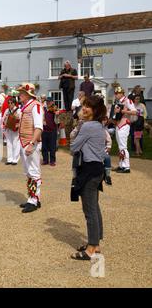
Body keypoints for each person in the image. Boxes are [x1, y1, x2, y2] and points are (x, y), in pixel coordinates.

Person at [70, 96, 107, 261]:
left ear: (95, 111)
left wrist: (79, 124)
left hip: (89, 170)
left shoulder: (87, 126)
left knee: (89, 210)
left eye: (88, 107)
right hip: (97, 169)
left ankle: (91, 248)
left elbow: (72, 146)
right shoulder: (98, 125)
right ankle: (96, 243)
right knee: (95, 208)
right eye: (84, 105)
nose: (84, 109)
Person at [17, 83, 44, 214]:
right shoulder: (26, 106)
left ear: (28, 94)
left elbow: (39, 127)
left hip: (30, 143)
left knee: (34, 172)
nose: (19, 95)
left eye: (21, 93)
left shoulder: (36, 105)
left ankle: (34, 200)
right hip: (24, 142)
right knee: (28, 172)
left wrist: (32, 143)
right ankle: (32, 197)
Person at [112, 87, 137, 173]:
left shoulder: (128, 100)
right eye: (115, 93)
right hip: (118, 125)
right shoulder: (117, 102)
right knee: (120, 147)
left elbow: (135, 112)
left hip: (124, 125)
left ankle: (126, 167)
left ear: (122, 93)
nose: (116, 95)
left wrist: (123, 111)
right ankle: (121, 165)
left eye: (117, 93)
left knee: (123, 147)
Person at [2, 97, 21, 166]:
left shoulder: (18, 110)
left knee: (15, 143)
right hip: (8, 128)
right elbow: (3, 118)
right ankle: (9, 159)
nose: (10, 104)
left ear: (14, 103)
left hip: (15, 129)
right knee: (9, 143)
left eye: (11, 103)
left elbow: (21, 119)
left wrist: (17, 119)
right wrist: (5, 122)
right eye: (8, 103)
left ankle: (15, 159)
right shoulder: (7, 110)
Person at [42, 95, 60, 166]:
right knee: (44, 146)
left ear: (52, 102)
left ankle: (52, 161)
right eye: (47, 101)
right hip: (45, 130)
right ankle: (45, 160)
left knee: (52, 146)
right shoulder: (43, 109)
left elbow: (57, 121)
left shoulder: (55, 109)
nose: (48, 103)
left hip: (52, 130)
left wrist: (57, 115)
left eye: (49, 101)